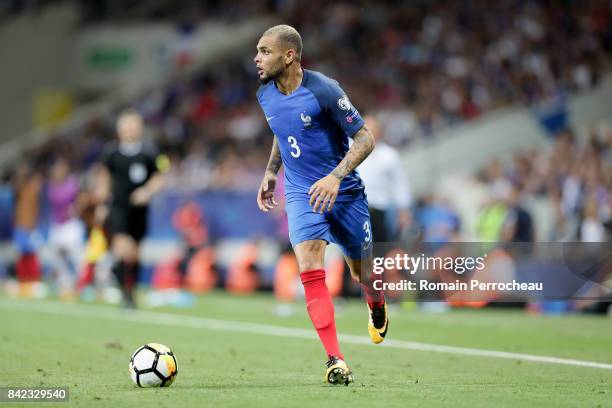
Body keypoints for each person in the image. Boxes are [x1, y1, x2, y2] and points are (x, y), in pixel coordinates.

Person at [254, 24, 387, 386]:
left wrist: (336, 176)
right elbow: (283, 132)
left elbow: (365, 138)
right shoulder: (265, 94)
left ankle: (376, 301)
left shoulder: (324, 90)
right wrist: (270, 171)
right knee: (311, 264)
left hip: (343, 192)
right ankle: (335, 359)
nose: (257, 58)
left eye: (265, 51)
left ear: (289, 55)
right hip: (301, 193)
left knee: (363, 274)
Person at [98, 109, 165, 308]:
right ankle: (123, 293)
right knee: (121, 248)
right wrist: (102, 203)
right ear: (119, 130)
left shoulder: (150, 151)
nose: (129, 129)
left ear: (140, 128)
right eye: (126, 126)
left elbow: (160, 176)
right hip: (118, 207)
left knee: (135, 253)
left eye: (133, 125)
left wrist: (147, 191)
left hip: (139, 209)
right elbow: (104, 178)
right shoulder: (111, 152)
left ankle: (131, 291)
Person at [358, 114, 412, 243]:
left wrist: (403, 210)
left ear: (379, 132)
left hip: (379, 208)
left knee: (380, 249)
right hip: (356, 209)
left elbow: (400, 183)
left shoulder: (389, 155)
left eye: (371, 129)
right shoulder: (349, 152)